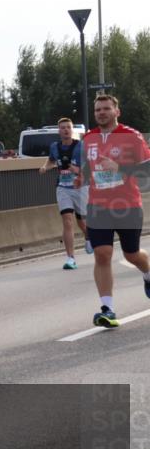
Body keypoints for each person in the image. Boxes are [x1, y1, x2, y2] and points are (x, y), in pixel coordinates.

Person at [80, 94, 150, 328]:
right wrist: (82, 176)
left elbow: (147, 169)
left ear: (116, 112)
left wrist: (120, 167)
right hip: (98, 206)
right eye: (97, 109)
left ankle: (147, 273)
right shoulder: (89, 138)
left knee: (132, 255)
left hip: (128, 205)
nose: (101, 113)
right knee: (102, 254)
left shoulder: (132, 136)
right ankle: (107, 309)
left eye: (106, 109)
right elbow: (88, 168)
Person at [39, 117, 91, 269]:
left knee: (82, 221)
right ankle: (70, 258)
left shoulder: (81, 146)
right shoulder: (54, 147)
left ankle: (88, 236)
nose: (66, 130)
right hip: (63, 187)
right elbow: (51, 160)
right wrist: (45, 167)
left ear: (72, 129)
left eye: (68, 127)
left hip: (80, 187)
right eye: (63, 128)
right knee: (67, 220)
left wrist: (78, 170)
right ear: (59, 131)